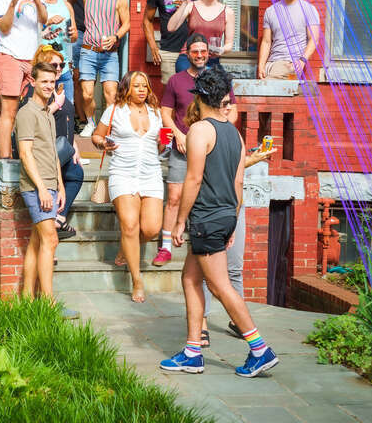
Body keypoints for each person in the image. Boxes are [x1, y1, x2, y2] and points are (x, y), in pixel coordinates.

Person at [160, 67, 279, 378]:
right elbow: (239, 183)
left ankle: (259, 348)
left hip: (206, 217)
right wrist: (231, 223)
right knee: (190, 278)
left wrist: (179, 220)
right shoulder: (234, 134)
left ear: (199, 97)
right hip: (225, 215)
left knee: (220, 285)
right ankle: (192, 352)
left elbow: (194, 178)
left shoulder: (200, 130)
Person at [152, 34, 237, 270]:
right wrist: (178, 135)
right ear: (186, 53)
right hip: (181, 148)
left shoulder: (219, 81)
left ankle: (195, 240)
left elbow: (233, 112)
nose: (199, 55)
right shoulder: (176, 81)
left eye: (203, 51)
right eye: (195, 51)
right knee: (175, 196)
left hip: (210, 149)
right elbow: (165, 112)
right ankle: (166, 247)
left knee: (204, 193)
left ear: (209, 53)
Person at [91, 71, 164, 303]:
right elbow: (96, 137)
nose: (142, 89)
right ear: (127, 88)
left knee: (152, 229)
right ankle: (137, 280)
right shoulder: (114, 111)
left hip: (151, 173)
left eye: (145, 86)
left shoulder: (156, 112)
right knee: (130, 226)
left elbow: (160, 146)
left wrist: (165, 142)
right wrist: (104, 143)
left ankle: (126, 248)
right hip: (122, 173)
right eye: (137, 85)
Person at [19, 45, 84, 240]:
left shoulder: (57, 89)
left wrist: (75, 148)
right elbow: (35, 119)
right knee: (46, 240)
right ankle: (56, 223)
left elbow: (67, 122)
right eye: (55, 64)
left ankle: (59, 218)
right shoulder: (37, 93)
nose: (59, 69)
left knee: (76, 173)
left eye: (61, 65)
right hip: (44, 156)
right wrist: (56, 105)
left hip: (61, 152)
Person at [15, 62, 65, 300]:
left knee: (37, 241)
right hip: (36, 186)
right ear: (32, 82)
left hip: (50, 184)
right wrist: (43, 189)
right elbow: (25, 154)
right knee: (50, 239)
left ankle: (27, 297)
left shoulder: (47, 112)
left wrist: (60, 186)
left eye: (52, 81)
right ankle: (48, 302)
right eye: (44, 81)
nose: (48, 86)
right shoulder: (26, 113)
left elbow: (53, 153)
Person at [0, 0, 48, 160]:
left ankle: (31, 156)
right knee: (10, 110)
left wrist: (36, 0)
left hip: (32, 58)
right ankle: (6, 161)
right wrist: (13, 2)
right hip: (9, 56)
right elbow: (4, 27)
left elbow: (44, 19)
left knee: (35, 110)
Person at [78, 0, 130, 137]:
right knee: (87, 94)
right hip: (88, 51)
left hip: (109, 54)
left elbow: (127, 24)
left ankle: (108, 129)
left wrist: (116, 36)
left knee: (110, 95)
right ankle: (90, 123)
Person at [143, 0, 201, 85]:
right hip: (169, 50)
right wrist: (153, 47)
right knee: (170, 92)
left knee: (192, 92)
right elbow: (147, 20)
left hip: (192, 50)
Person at [258, 0, 320, 79]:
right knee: (267, 93)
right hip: (271, 65)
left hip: (290, 65)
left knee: (262, 90)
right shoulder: (270, 11)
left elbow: (314, 39)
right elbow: (266, 42)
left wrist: (302, 60)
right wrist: (261, 65)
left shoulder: (309, 10)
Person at [168, 0, 235, 71]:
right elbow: (171, 27)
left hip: (211, 59)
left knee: (225, 84)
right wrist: (185, 2)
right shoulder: (191, 6)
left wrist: (221, 50)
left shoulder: (228, 12)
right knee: (193, 81)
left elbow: (229, 44)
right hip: (188, 58)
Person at [62, 0, 97, 127]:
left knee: (88, 79)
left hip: (96, 35)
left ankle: (88, 118)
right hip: (78, 32)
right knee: (75, 75)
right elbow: (66, 3)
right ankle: (80, 118)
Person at [39, 0, 78, 105]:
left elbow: (73, 38)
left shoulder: (66, 5)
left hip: (63, 68)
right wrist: (48, 22)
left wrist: (72, 34)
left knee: (67, 108)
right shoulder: (37, 4)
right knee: (44, 110)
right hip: (43, 67)